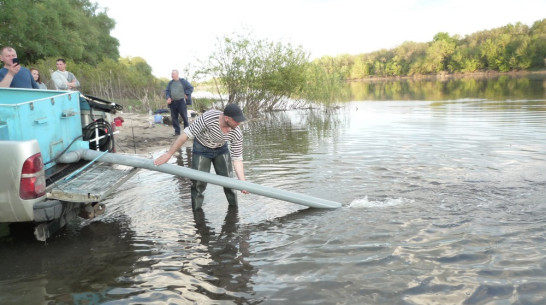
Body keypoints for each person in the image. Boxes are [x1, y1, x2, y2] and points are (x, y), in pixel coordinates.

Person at [154, 104, 249, 210]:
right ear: (226, 118)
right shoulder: (208, 118)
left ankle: (234, 211)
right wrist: (169, 154)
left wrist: (242, 182)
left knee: (230, 183)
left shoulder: (236, 132)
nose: (239, 123)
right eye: (236, 121)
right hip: (202, 148)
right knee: (198, 184)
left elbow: (237, 158)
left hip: (221, 149)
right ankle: (197, 216)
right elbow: (186, 134)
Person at [165, 69, 194, 135]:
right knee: (174, 117)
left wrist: (186, 93)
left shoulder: (183, 81)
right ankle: (177, 132)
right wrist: (168, 97)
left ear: (177, 74)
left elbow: (191, 88)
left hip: (181, 102)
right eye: (171, 74)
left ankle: (186, 132)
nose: (172, 75)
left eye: (173, 74)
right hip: (172, 102)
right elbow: (167, 91)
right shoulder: (170, 83)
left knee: (184, 116)